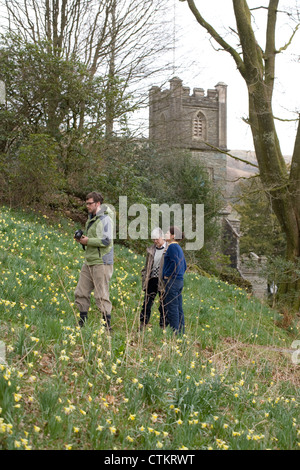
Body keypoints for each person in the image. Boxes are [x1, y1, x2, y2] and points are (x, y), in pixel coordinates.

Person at [74, 191, 114, 330]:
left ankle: (106, 327)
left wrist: (88, 241)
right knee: (81, 291)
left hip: (102, 261)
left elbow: (107, 241)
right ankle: (82, 323)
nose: (87, 206)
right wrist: (82, 239)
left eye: (89, 203)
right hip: (89, 260)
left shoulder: (105, 219)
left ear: (98, 204)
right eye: (86, 203)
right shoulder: (91, 218)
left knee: (101, 295)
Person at [140, 228, 167, 329]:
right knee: (147, 303)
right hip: (151, 279)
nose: (155, 241)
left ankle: (163, 326)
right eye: (153, 239)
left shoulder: (168, 249)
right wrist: (144, 276)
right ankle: (143, 323)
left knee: (163, 305)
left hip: (162, 281)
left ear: (162, 237)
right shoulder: (151, 249)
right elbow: (147, 265)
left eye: (157, 239)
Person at [162, 226, 187, 334]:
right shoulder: (178, 248)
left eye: (167, 232)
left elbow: (175, 263)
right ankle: (181, 332)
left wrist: (167, 275)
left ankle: (175, 333)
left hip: (172, 281)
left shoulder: (171, 247)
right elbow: (184, 265)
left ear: (173, 236)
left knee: (172, 308)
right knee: (178, 307)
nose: (165, 234)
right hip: (179, 281)